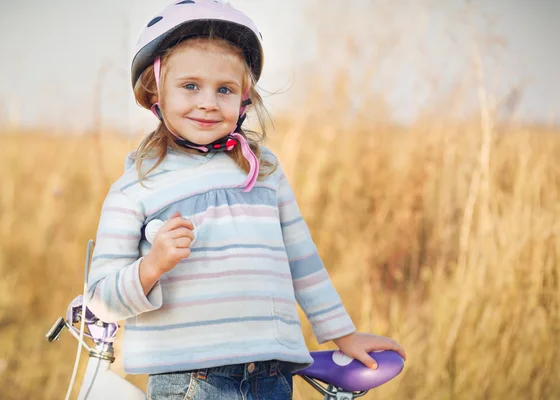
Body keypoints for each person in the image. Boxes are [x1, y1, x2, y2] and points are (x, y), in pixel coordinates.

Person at [86, 1, 406, 398]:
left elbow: (301, 258)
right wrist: (152, 266)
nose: (208, 102)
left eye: (224, 89)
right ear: (155, 90)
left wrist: (343, 334)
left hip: (270, 375)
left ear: (244, 98)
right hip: (190, 380)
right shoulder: (135, 187)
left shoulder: (263, 170)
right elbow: (100, 299)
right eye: (190, 86)